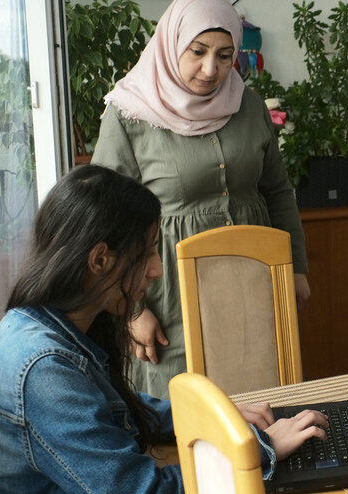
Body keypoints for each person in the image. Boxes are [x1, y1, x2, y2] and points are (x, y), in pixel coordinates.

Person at [0, 165, 327, 494]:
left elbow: (114, 409)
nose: (157, 269)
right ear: (99, 260)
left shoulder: (36, 329)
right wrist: (258, 450)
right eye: (146, 251)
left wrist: (221, 419)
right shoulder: (44, 372)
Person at [91, 0, 310, 399]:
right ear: (172, 44)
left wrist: (295, 267)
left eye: (225, 56)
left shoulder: (249, 105)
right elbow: (105, 217)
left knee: (261, 397)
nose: (211, 70)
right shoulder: (128, 114)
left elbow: (277, 190)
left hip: (253, 274)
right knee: (180, 408)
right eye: (198, 52)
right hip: (167, 287)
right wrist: (131, 309)